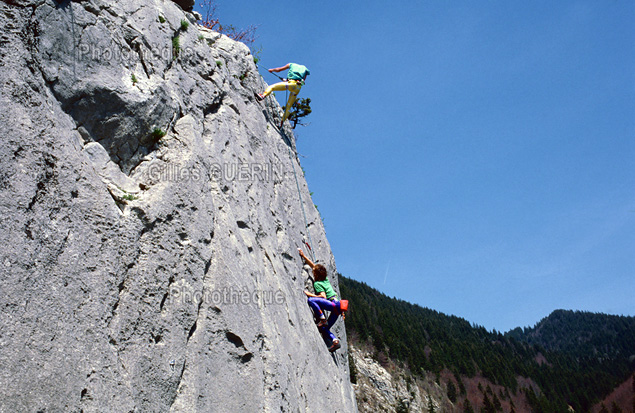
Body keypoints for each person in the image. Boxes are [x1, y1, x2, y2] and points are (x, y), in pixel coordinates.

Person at [298, 248, 348, 353]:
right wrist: (303, 256)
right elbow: (314, 266)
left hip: (332, 305)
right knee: (324, 329)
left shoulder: (317, 283)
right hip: (338, 308)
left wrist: (309, 294)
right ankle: (334, 341)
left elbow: (323, 297)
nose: (312, 271)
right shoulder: (325, 280)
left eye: (313, 272)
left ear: (315, 275)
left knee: (311, 301)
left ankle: (322, 319)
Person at [257, 63, 310, 127]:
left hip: (291, 84)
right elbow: (303, 80)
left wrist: (272, 70)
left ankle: (263, 96)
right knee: (288, 107)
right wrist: (286, 80)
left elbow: (279, 69)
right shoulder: (305, 69)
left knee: (271, 87)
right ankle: (281, 123)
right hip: (297, 88)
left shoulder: (291, 64)